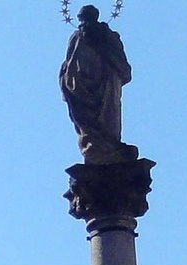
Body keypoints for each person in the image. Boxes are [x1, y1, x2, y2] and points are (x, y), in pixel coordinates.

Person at [59, 4, 136, 164]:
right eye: (81, 21)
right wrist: (67, 79)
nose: (83, 25)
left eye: (86, 20)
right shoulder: (76, 38)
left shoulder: (109, 37)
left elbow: (123, 67)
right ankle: (97, 147)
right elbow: (69, 64)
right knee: (88, 125)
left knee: (107, 118)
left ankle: (109, 147)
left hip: (106, 86)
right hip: (80, 88)